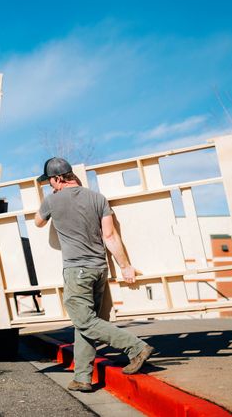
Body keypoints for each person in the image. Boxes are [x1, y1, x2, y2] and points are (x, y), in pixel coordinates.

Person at [34, 156, 155, 392]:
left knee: (84, 320)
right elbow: (110, 237)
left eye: (50, 181)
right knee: (85, 324)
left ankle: (136, 347)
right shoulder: (98, 198)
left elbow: (38, 222)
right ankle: (82, 378)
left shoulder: (52, 201)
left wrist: (52, 206)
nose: (50, 186)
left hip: (76, 271)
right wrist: (125, 266)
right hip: (99, 268)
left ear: (58, 179)